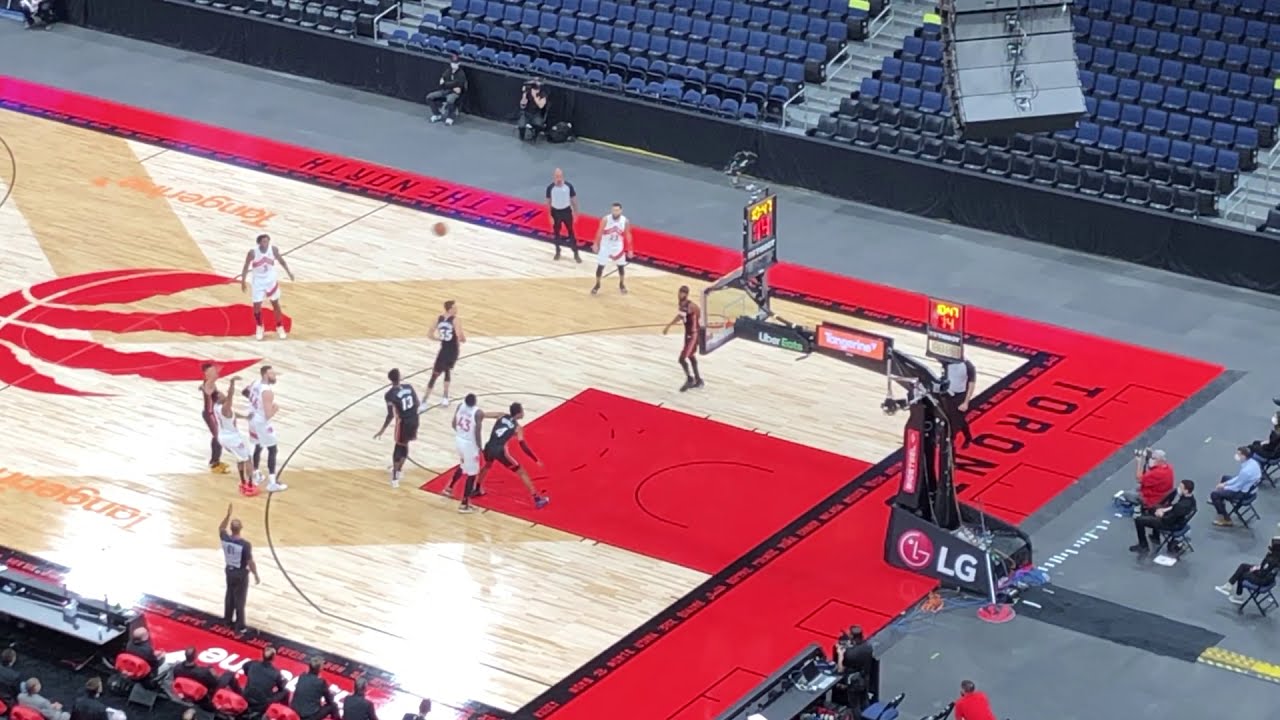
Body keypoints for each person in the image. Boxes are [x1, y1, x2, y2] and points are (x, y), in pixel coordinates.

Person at [474, 402, 549, 508]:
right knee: (521, 472)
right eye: (522, 411)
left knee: (487, 465)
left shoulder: (501, 415)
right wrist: (535, 459)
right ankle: (537, 499)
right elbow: (523, 446)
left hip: (489, 446)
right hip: (500, 451)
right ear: (518, 414)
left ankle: (477, 488)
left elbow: (482, 415)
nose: (523, 412)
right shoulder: (518, 428)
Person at [239, 234, 294, 341]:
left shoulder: (273, 249)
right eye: (264, 241)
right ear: (259, 243)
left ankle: (279, 326)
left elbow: (282, 262)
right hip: (258, 280)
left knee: (275, 303)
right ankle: (260, 326)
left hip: (270, 279)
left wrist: (289, 273)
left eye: (267, 241)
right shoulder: (252, 253)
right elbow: (245, 266)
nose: (266, 243)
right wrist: (243, 281)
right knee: (257, 305)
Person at [374, 369, 421, 489]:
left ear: (390, 379)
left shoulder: (389, 394)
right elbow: (417, 403)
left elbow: (390, 415)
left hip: (403, 422)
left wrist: (382, 430)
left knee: (398, 447)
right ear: (400, 377)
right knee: (405, 444)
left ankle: (395, 478)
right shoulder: (409, 387)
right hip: (414, 419)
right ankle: (399, 470)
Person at [219, 503, 261, 633]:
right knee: (240, 599)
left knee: (229, 596)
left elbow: (221, 528)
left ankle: (227, 621)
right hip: (240, 573)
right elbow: (250, 562)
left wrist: (228, 515)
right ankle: (240, 626)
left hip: (229, 571)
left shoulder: (225, 538)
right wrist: (255, 574)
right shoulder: (245, 545)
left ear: (230, 528)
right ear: (241, 528)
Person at [245, 365, 287, 493]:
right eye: (272, 374)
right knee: (273, 449)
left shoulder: (255, 383)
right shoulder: (267, 392)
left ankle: (256, 474)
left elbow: (244, 391)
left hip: (251, 418)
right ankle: (272, 483)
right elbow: (268, 415)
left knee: (257, 446)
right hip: (261, 422)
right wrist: (275, 408)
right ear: (265, 375)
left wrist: (256, 403)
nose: (274, 376)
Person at [444, 394, 486, 512]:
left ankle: (449, 488)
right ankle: (464, 504)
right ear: (475, 401)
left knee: (463, 466)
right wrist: (479, 447)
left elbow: (453, 424)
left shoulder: (459, 406)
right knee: (472, 474)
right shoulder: (478, 413)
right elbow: (477, 432)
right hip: (469, 444)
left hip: (459, 440)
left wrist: (461, 434)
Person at [1132, 479, 1196, 554]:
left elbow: (1168, 520)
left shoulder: (1181, 506)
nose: (1178, 488)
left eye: (1181, 487)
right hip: (1177, 520)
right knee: (1154, 508)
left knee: (1139, 520)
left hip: (1171, 524)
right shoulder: (1190, 499)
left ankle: (1143, 546)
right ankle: (1155, 536)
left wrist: (1160, 514)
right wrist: (1163, 510)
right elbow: (1174, 507)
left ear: (1186, 490)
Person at [216, 379, 256, 495]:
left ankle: (243, 481)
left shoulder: (217, 407)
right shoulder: (225, 407)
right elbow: (230, 397)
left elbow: (231, 415)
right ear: (219, 398)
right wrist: (232, 383)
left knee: (240, 458)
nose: (222, 393)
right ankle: (249, 484)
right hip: (232, 438)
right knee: (248, 458)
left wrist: (244, 417)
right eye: (220, 394)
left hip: (223, 436)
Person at [663, 285, 704, 392]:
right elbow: (684, 315)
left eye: (682, 293)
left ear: (686, 294)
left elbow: (683, 315)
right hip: (689, 333)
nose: (680, 294)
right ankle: (698, 380)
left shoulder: (687, 305)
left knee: (682, 359)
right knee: (690, 356)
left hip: (693, 334)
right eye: (680, 292)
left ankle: (690, 379)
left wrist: (668, 326)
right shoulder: (683, 304)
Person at [423, 301, 464, 407]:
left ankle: (424, 401)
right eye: (455, 308)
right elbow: (460, 336)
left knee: (435, 375)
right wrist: (463, 339)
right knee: (446, 371)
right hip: (453, 350)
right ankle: (445, 398)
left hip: (444, 348)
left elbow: (429, 334)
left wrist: (439, 339)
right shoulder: (456, 320)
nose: (456, 310)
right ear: (450, 309)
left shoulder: (438, 318)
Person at [1216, 537, 1280, 604]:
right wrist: (1258, 567)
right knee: (1243, 566)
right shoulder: (1275, 556)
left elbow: (1262, 574)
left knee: (1242, 575)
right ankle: (1229, 585)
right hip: (1268, 578)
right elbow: (1265, 569)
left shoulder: (1271, 560)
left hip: (1262, 581)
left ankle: (1238, 596)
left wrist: (1254, 570)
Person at [1210, 447, 1262, 526]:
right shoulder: (1253, 462)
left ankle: (1226, 519)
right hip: (1249, 487)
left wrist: (1223, 487)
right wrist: (1225, 483)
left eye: (1238, 454)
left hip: (1244, 493)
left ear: (1244, 456)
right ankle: (1220, 500)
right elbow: (1239, 478)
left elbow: (1236, 487)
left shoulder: (1246, 471)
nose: (1236, 455)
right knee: (1225, 478)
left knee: (1214, 494)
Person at [590, 203, 633, 295]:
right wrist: (595, 243)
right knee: (600, 266)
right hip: (606, 245)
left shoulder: (625, 221)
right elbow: (600, 231)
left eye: (617, 210)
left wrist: (630, 249)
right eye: (613, 210)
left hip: (618, 245)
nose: (615, 212)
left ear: (621, 211)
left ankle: (622, 284)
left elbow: (628, 235)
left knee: (621, 267)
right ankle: (597, 285)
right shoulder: (606, 219)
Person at [172, 648, 237, 708]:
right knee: (229, 674)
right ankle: (242, 700)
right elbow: (215, 684)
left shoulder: (177, 668)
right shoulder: (203, 673)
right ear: (195, 656)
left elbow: (176, 680)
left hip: (186, 692)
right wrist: (214, 675)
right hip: (204, 697)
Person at [937, 357, 977, 448]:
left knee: (956, 420)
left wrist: (966, 402)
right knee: (954, 418)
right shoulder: (947, 361)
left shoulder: (968, 366)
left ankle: (952, 442)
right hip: (947, 394)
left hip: (960, 396)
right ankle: (966, 437)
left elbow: (971, 384)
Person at [546, 168, 580, 262]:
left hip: (566, 211)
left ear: (563, 176)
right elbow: (548, 202)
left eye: (560, 176)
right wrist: (549, 216)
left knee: (571, 232)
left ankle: (576, 253)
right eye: (557, 176)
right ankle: (557, 251)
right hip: (555, 212)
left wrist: (576, 213)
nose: (559, 178)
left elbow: (574, 200)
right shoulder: (550, 188)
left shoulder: (568, 186)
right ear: (554, 177)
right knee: (556, 233)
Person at [242, 647, 289, 714]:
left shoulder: (253, 664)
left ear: (262, 655)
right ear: (273, 657)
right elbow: (281, 688)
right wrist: (285, 681)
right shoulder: (275, 673)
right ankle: (284, 714)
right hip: (261, 703)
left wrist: (250, 675)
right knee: (286, 691)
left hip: (246, 696)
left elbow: (244, 667)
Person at [201, 363, 228, 475]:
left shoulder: (210, 383)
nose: (215, 373)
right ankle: (214, 463)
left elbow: (216, 397)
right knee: (219, 437)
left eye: (214, 371)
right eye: (211, 371)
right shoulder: (209, 384)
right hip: (210, 414)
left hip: (213, 413)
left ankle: (215, 461)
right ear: (206, 373)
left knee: (217, 436)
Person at [427, 55, 467, 126]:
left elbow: (458, 87)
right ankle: (437, 114)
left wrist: (446, 84)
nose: (454, 65)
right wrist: (451, 85)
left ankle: (450, 117)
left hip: (454, 93)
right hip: (445, 91)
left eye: (456, 63)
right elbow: (441, 83)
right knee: (429, 97)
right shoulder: (448, 71)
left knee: (450, 99)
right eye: (453, 63)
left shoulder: (461, 74)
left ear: (459, 64)